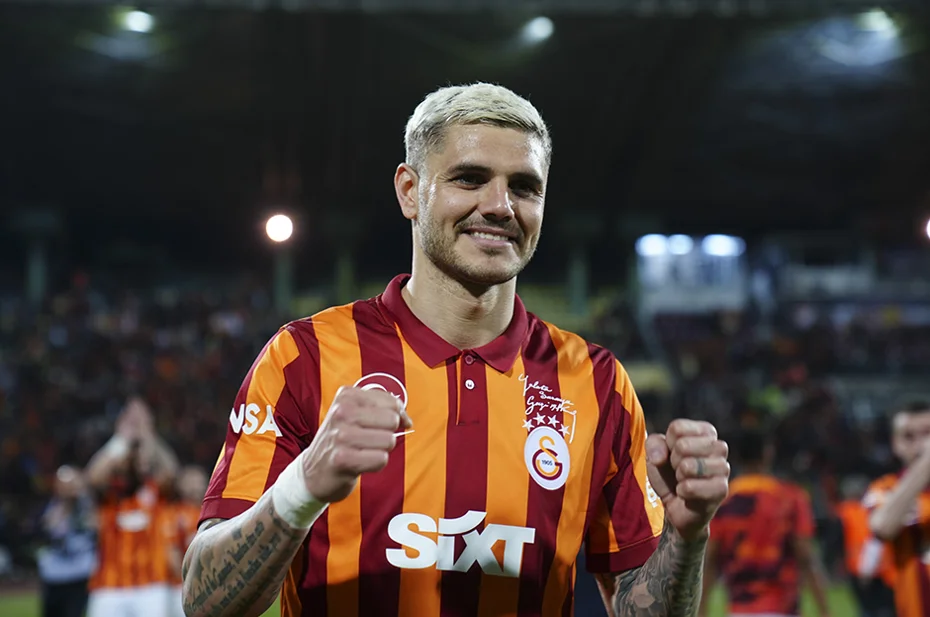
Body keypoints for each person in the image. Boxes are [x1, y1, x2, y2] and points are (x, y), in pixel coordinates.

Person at [181, 82, 730, 617]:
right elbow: (205, 601)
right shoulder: (305, 357)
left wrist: (686, 537)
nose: (500, 206)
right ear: (409, 191)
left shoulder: (596, 380)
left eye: (524, 187)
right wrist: (302, 486)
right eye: (470, 179)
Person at [699, 430, 831, 617]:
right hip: (782, 607)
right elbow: (805, 556)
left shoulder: (722, 503)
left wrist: (701, 610)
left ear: (735, 457)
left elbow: (709, 561)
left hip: (741, 609)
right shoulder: (790, 498)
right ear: (768, 453)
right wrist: (824, 610)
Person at [84, 396, 180, 617]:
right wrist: (121, 437)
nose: (134, 461)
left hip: (152, 585)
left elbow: (172, 472)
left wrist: (147, 433)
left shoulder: (155, 490)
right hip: (109, 586)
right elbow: (92, 477)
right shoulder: (110, 494)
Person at [864, 399, 930, 617]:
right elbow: (882, 526)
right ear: (895, 444)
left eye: (928, 434)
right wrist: (926, 463)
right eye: (908, 437)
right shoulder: (885, 488)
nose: (920, 445)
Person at [36, 465, 97, 617]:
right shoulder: (53, 506)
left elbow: (94, 527)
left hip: (79, 574)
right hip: (53, 574)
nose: (67, 488)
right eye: (63, 483)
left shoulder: (88, 505)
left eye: (71, 483)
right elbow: (44, 531)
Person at [834, 476, 895, 617]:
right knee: (883, 608)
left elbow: (837, 541)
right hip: (881, 567)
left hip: (860, 567)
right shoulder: (874, 509)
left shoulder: (844, 512)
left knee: (868, 609)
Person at [167, 466, 209, 617]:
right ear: (181, 485)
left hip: (210, 585)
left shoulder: (210, 511)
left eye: (199, 481)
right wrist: (187, 584)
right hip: (182, 588)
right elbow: (171, 551)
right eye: (191, 482)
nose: (196, 486)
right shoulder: (174, 513)